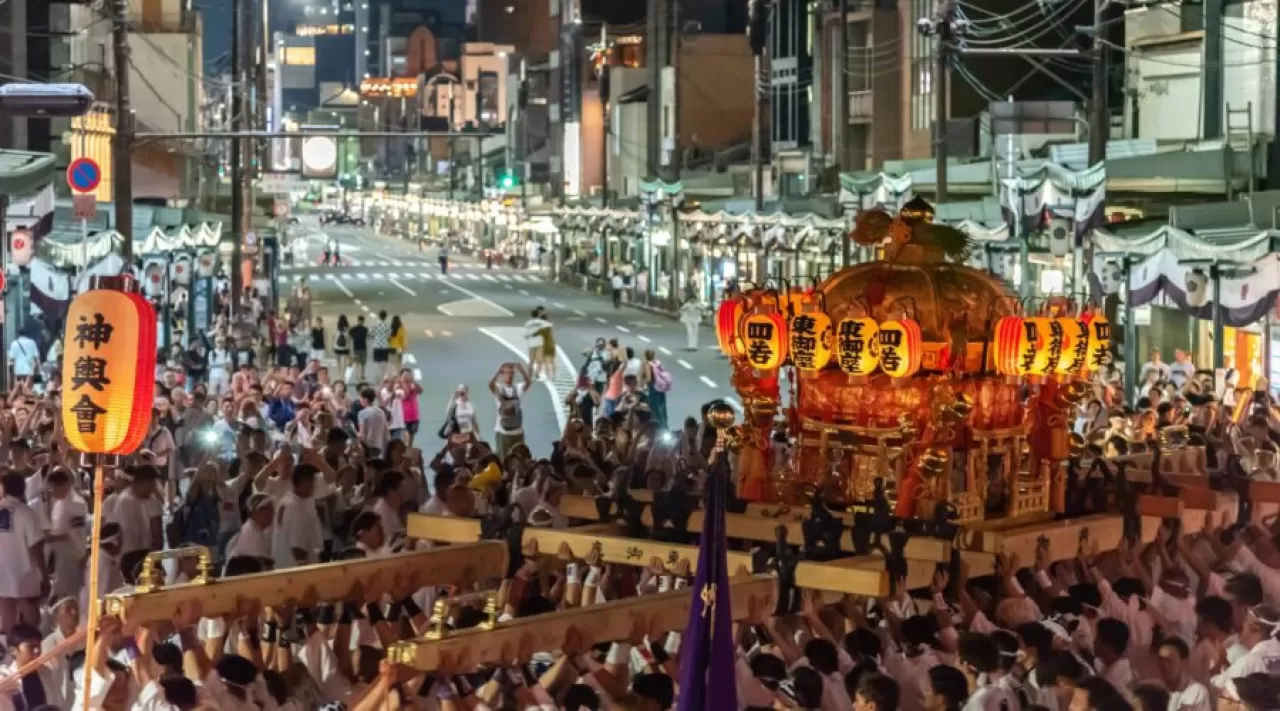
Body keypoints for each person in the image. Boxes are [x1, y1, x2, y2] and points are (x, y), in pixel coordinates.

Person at [0, 472, 46, 634]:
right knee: (31, 621)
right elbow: (35, 547)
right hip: (25, 574)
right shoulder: (26, 513)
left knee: (6, 618)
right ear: (23, 488)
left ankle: (7, 653)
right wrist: (44, 574)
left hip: (3, 574)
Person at [489, 362, 532, 458]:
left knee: (520, 459)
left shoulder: (518, 388)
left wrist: (522, 371)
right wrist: (498, 371)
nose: (510, 375)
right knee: (503, 459)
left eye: (512, 373)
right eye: (507, 373)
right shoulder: (499, 388)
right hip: (502, 433)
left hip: (518, 432)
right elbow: (490, 384)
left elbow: (528, 383)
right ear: (502, 374)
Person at [370, 310, 392, 381]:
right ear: (385, 317)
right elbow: (389, 335)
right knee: (384, 361)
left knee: (378, 362)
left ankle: (379, 376)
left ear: (379, 316)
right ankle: (384, 376)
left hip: (377, 345)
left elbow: (370, 333)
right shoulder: (387, 325)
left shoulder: (375, 324)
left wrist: (376, 336)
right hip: (384, 345)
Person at [350, 314, 370, 381]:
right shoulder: (365, 329)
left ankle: (357, 376)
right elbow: (368, 336)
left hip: (356, 347)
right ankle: (362, 375)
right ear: (363, 321)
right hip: (363, 347)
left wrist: (354, 338)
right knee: (363, 363)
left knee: (357, 363)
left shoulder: (353, 329)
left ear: (358, 320)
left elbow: (350, 335)